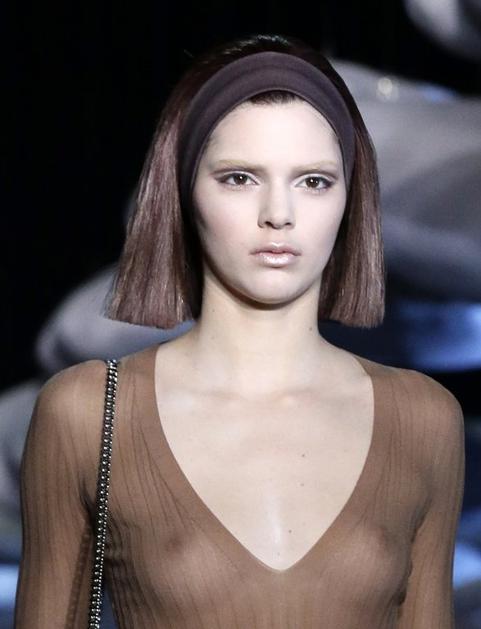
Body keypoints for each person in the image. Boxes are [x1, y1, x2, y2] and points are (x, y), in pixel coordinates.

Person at [14, 33, 465, 628]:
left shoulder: (424, 420)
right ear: (183, 192)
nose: (278, 214)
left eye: (314, 181)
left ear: (351, 200)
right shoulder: (90, 413)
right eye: (239, 178)